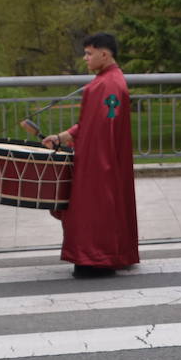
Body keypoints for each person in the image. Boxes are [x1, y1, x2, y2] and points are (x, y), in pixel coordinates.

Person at [40, 33, 139, 277]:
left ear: (104, 55)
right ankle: (106, 254)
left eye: (89, 53)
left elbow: (103, 130)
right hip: (97, 157)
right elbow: (91, 124)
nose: (85, 58)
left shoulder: (108, 85)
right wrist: (62, 138)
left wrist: (90, 162)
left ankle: (96, 258)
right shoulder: (105, 82)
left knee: (93, 210)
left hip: (97, 161)